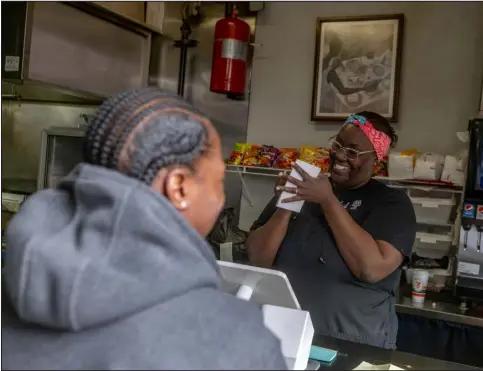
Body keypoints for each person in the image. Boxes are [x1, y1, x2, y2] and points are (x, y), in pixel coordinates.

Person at [2, 88, 287, 370]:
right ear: (179, 187)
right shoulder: (239, 342)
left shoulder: (12, 287)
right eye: (219, 179)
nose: (220, 196)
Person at [246, 111, 416, 350]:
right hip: (286, 336)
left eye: (353, 152)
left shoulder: (391, 203)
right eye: (337, 144)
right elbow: (258, 259)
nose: (339, 155)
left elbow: (371, 268)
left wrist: (328, 201)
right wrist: (287, 204)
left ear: (376, 160)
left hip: (352, 343)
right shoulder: (307, 187)